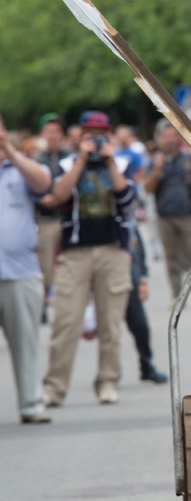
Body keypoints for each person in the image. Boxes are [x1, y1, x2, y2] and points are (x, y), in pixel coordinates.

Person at [42, 111, 135, 407]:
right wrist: (82, 160)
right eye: (89, 134)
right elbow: (58, 195)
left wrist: (108, 160)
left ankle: (107, 382)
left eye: (100, 134)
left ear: (109, 135)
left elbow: (126, 199)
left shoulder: (121, 163)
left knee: (111, 324)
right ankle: (54, 388)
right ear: (79, 136)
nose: (94, 139)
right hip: (76, 251)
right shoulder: (69, 163)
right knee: (65, 322)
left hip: (112, 250)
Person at [0, 115, 52, 423]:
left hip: (20, 272)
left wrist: (12, 153)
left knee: (26, 343)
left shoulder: (21, 168)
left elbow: (44, 184)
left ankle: (32, 404)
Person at [142, 121, 191, 307]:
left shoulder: (188, 159)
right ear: (159, 139)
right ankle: (177, 295)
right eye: (166, 137)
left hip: (187, 214)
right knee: (171, 258)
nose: (169, 140)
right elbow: (147, 189)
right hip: (164, 216)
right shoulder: (154, 161)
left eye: (173, 136)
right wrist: (157, 169)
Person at [34, 114, 70, 305]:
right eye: (49, 132)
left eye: (56, 132)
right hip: (45, 219)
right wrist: (42, 199)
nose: (52, 136)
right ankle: (42, 302)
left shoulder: (71, 158)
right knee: (44, 266)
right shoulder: (36, 160)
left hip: (66, 217)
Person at [126, 226, 167, 384]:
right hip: (109, 284)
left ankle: (146, 367)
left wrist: (142, 280)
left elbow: (139, 253)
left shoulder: (130, 225)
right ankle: (109, 376)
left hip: (131, 282)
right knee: (110, 333)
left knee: (141, 328)